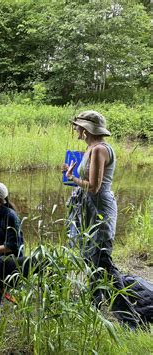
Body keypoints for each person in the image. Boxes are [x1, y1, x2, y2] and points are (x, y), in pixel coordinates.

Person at [65, 110, 140, 328]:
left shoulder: (99, 149)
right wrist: (71, 174)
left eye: (78, 126)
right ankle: (94, 308)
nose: (76, 129)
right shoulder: (89, 149)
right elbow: (87, 180)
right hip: (90, 210)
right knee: (92, 261)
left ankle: (129, 320)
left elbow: (94, 187)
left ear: (86, 129)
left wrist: (73, 178)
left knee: (104, 264)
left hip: (101, 210)